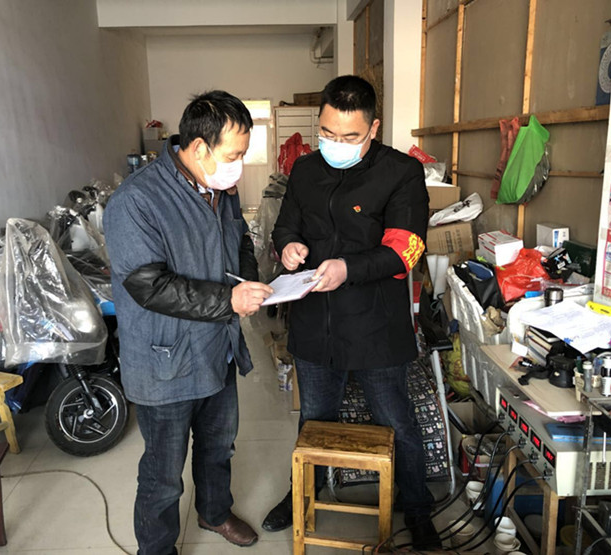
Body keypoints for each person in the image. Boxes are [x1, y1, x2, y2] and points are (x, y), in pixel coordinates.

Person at [263, 75, 441, 550]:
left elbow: (406, 249)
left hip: (375, 325)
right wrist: (289, 246)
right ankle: (304, 494)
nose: (335, 144)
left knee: (395, 420)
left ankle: (417, 507)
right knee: (313, 420)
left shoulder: (401, 172)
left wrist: (348, 268)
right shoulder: (305, 170)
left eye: (349, 136)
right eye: (327, 133)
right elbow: (285, 225)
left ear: (373, 128)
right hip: (315, 321)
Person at [104, 90, 273, 555]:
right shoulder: (136, 201)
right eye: (233, 155)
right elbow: (149, 285)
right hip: (166, 361)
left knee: (219, 447)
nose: (239, 166)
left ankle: (214, 512)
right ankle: (157, 548)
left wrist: (248, 281)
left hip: (217, 348)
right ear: (199, 148)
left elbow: (240, 242)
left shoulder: (220, 190)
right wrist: (229, 299)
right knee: (163, 472)